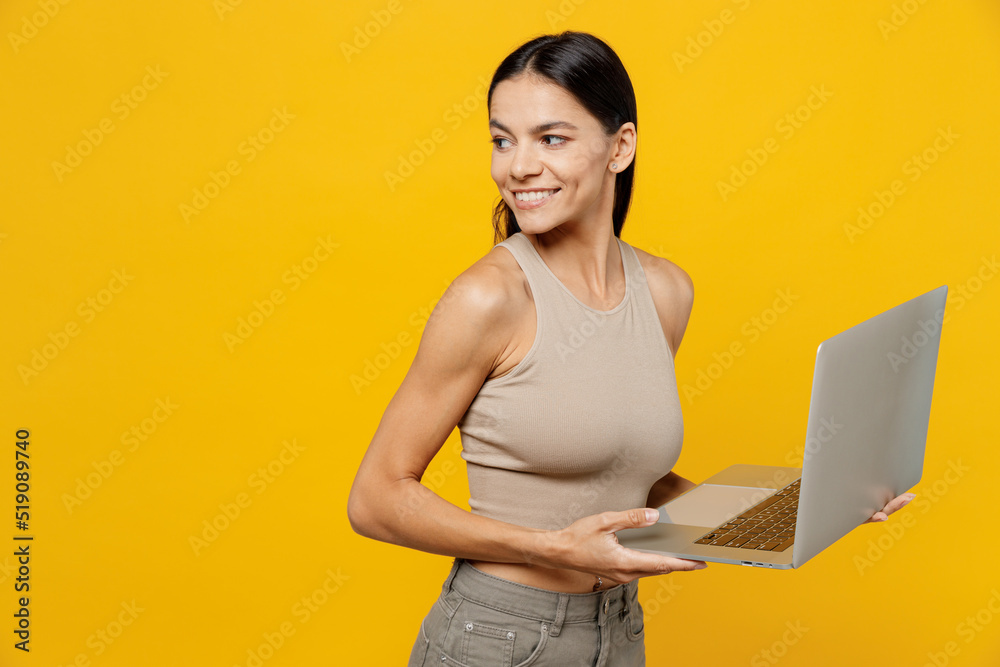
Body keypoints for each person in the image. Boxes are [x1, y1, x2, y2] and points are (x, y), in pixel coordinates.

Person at [347, 30, 914, 666]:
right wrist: (552, 548)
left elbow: (632, 480)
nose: (517, 166)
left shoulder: (666, 291)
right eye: (502, 140)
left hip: (617, 635)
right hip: (497, 636)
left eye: (550, 139)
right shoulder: (489, 298)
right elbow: (376, 498)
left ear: (621, 146)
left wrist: (802, 511)